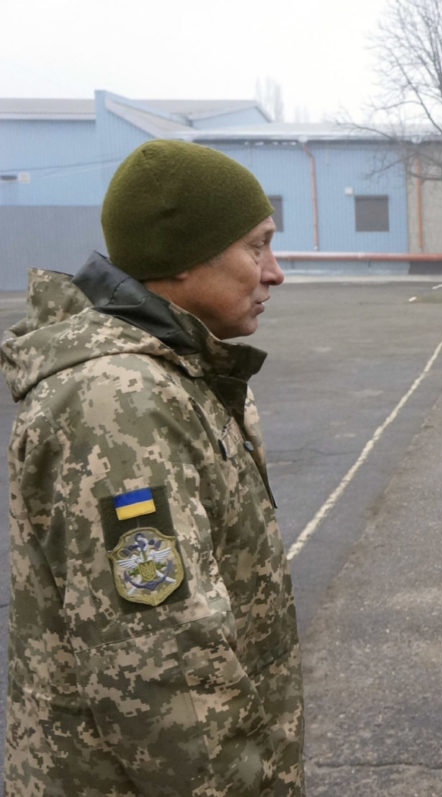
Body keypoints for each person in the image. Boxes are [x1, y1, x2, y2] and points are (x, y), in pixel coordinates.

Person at [1, 139, 304, 794]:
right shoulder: (118, 403)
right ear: (183, 259)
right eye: (257, 246)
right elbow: (168, 681)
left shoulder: (180, 374)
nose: (274, 272)